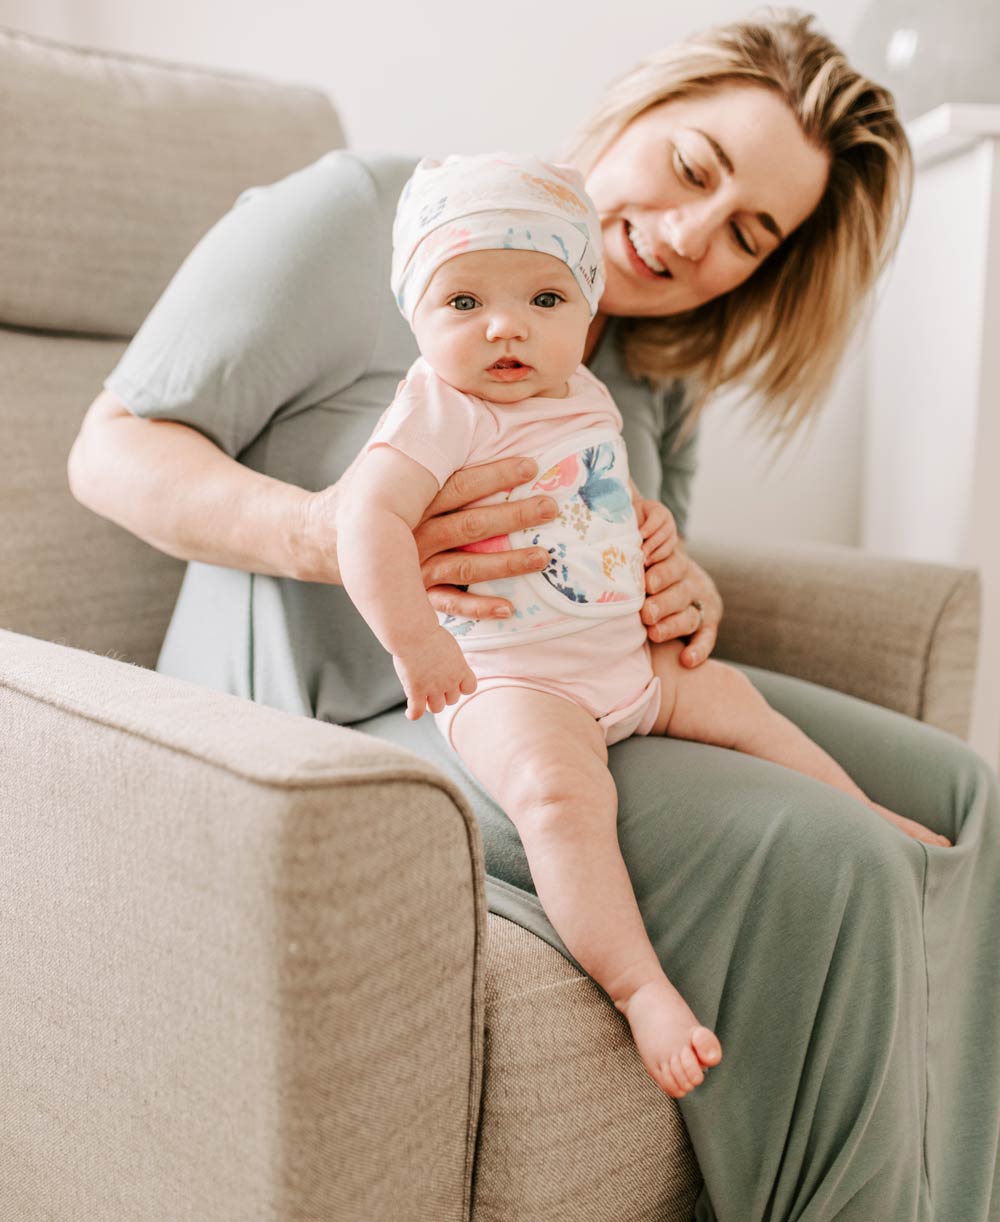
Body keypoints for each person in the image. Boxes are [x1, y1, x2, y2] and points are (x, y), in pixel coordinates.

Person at [66, 10, 1000, 1219]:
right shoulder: (361, 213)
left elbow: (622, 543)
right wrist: (332, 533)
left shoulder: (648, 355)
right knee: (839, 858)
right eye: (692, 168)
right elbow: (109, 450)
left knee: (961, 798)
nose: (685, 236)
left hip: (583, 677)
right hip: (368, 705)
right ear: (637, 106)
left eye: (746, 233)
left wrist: (685, 588)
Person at [336, 150, 952, 1099]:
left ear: (586, 311)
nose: (507, 327)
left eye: (545, 299)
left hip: (631, 664)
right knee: (559, 801)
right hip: (514, 684)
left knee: (741, 704)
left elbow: (594, 494)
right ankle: (641, 988)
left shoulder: (585, 394)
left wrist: (649, 529)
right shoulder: (438, 409)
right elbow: (365, 521)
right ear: (414, 313)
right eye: (463, 303)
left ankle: (863, 810)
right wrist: (415, 642)